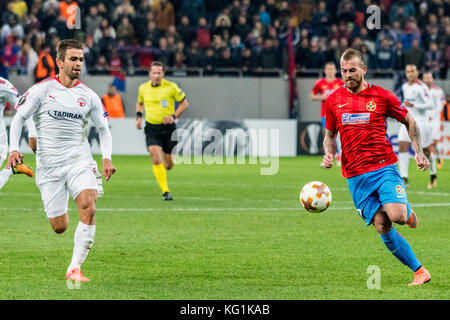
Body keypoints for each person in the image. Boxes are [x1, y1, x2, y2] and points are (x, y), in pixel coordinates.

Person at [7, 39, 116, 282]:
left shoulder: (88, 95)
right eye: (73, 59)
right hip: (49, 167)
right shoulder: (41, 90)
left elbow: (104, 128)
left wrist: (106, 158)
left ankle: (74, 268)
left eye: (81, 59)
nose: (78, 64)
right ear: (60, 62)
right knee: (59, 227)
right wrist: (13, 149)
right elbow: (18, 119)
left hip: (79, 160)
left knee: (89, 207)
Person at [322, 48, 431, 286]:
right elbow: (330, 135)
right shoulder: (333, 100)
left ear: (363, 69)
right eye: (344, 71)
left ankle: (407, 211)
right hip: (355, 176)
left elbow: (408, 119)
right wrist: (329, 153)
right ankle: (419, 271)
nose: (348, 75)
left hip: (383, 168)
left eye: (352, 70)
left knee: (398, 217)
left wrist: (419, 152)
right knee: (382, 223)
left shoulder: (381, 96)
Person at [136, 61, 189, 201]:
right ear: (149, 73)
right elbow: (140, 102)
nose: (156, 75)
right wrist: (139, 117)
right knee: (155, 158)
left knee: (169, 165)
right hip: (152, 128)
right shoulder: (143, 88)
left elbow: (184, 103)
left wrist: (173, 116)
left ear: (163, 74)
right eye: (154, 72)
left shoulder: (171, 87)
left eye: (159, 73)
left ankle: (170, 160)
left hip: (168, 129)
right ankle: (166, 191)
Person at [398, 64, 433, 188]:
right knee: (402, 145)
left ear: (417, 72)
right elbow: (406, 102)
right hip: (407, 119)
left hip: (420, 121)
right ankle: (404, 177)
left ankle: (433, 173)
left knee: (426, 150)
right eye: (408, 71)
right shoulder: (404, 86)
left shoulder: (421, 87)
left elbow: (430, 104)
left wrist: (414, 105)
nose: (410, 74)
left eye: (412, 71)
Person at [0, 76, 36, 189]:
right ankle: (12, 169)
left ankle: (10, 170)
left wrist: (32, 133)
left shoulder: (3, 86)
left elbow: (25, 107)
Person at [310, 61, 344, 164]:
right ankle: (331, 156)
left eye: (331, 69)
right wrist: (321, 97)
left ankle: (341, 155)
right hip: (325, 114)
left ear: (335, 70)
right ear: (325, 71)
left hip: (339, 113)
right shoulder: (320, 83)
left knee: (341, 134)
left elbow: (347, 95)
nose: (329, 71)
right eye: (328, 69)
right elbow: (312, 95)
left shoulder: (340, 83)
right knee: (328, 135)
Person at [422, 72, 445, 174]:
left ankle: (439, 156)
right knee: (427, 144)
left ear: (432, 79)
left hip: (434, 120)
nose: (427, 79)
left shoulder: (438, 91)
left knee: (434, 143)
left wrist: (432, 115)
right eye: (425, 78)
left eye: (429, 77)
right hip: (424, 120)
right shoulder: (420, 90)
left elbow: (440, 106)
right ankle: (432, 169)